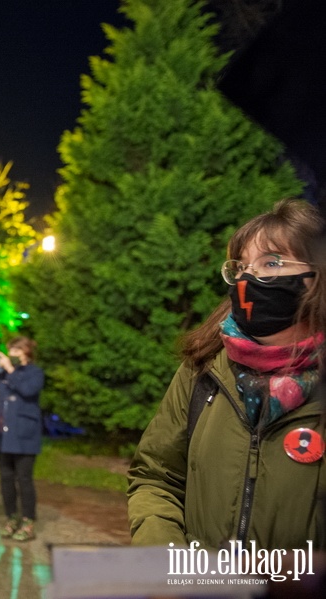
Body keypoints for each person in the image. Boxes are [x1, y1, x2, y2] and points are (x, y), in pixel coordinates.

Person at [128, 198, 326, 551]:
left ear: (316, 277)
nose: (249, 279)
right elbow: (156, 478)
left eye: (272, 263)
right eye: (241, 267)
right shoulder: (203, 368)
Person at [0, 336, 44, 542]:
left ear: (26, 352)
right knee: (6, 479)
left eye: (15, 350)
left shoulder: (34, 373)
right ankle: (11, 518)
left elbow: (28, 390)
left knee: (24, 480)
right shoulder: (1, 374)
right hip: (2, 436)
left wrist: (10, 370)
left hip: (24, 436)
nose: (10, 354)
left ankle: (28, 522)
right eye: (10, 350)